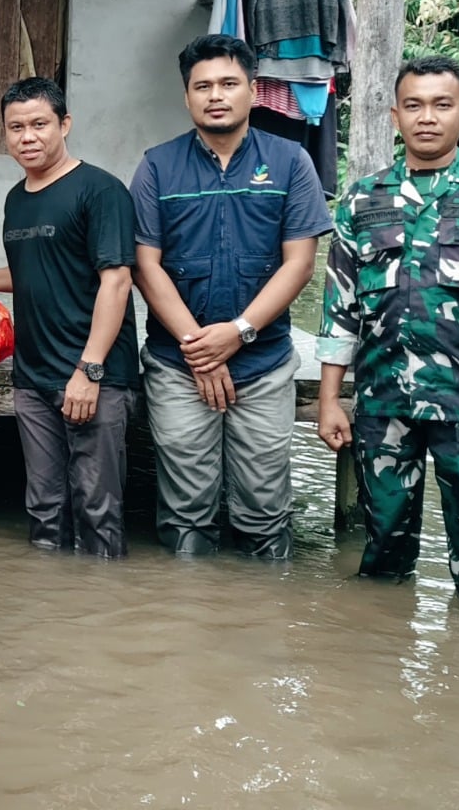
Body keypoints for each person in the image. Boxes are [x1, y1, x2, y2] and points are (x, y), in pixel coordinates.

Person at [317, 56, 459, 605]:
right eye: (414, 105)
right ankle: (376, 665)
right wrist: (330, 399)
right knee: (383, 555)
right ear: (395, 115)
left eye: (442, 105)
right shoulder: (361, 198)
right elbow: (339, 306)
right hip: (383, 404)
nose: (428, 117)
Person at [131, 34, 330, 560]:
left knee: (265, 508)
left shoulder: (290, 162)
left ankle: (262, 615)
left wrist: (238, 333)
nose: (215, 95)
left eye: (228, 83)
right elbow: (145, 267)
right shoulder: (157, 166)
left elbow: (300, 263)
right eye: (202, 86)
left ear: (252, 90)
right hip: (179, 363)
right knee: (186, 511)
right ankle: (191, 612)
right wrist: (201, 347)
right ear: (187, 96)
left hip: (262, 363)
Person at [0, 78, 137, 558]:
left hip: (92, 375)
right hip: (33, 377)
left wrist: (89, 369)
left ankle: (98, 613)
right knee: (44, 506)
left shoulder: (100, 190)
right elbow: (35, 271)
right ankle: (50, 608)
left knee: (98, 509)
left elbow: (116, 281)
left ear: (64, 124)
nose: (27, 136)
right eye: (16, 127)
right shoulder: (17, 198)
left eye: (39, 124)